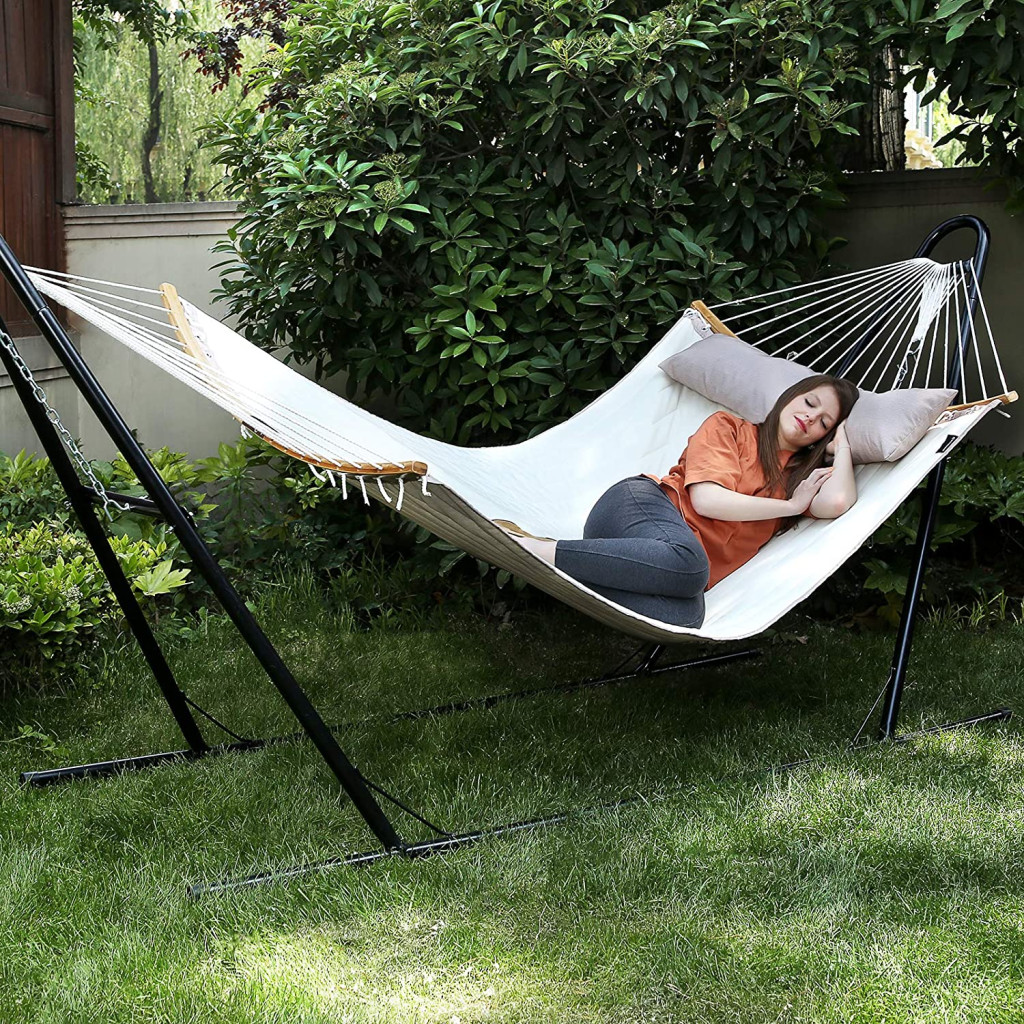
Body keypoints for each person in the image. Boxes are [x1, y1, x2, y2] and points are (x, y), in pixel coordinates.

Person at [513, 374, 860, 627]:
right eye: (809, 403)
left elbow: (838, 501)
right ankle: (531, 548)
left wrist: (842, 444)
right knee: (692, 565)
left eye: (824, 422)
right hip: (638, 509)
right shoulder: (730, 428)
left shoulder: (798, 481)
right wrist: (789, 507)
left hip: (672, 572)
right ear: (790, 396)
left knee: (685, 617)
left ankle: (569, 565)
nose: (811, 417)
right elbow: (707, 500)